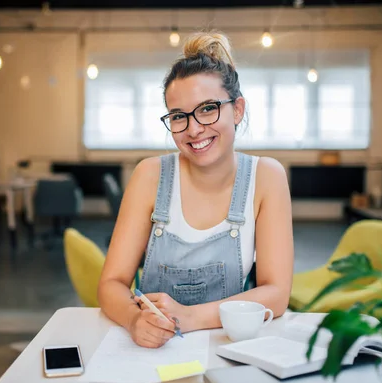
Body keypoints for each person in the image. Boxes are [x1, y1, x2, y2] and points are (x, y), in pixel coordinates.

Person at [97, 31, 294, 349]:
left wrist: (189, 317)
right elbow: (111, 284)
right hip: (153, 351)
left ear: (238, 109)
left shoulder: (266, 177)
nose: (193, 129)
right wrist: (135, 321)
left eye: (207, 109)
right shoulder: (150, 175)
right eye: (178, 116)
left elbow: (277, 293)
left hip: (229, 348)